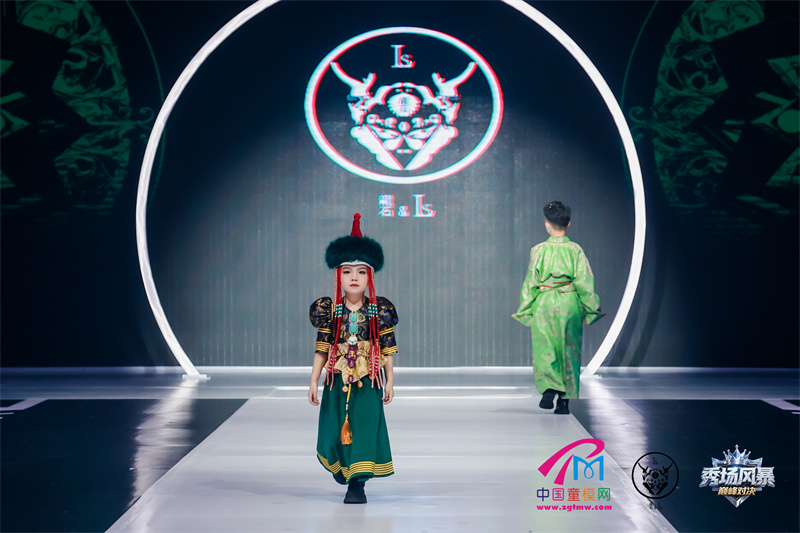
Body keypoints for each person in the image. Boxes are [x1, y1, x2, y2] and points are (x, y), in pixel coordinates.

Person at [308, 213, 397, 504]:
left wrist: (390, 381)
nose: (354, 278)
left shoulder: (379, 310)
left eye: (361, 272)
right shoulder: (329, 310)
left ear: (370, 276)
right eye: (347, 271)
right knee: (335, 430)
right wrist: (313, 380)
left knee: (365, 429)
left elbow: (386, 347)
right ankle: (344, 471)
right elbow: (323, 347)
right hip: (336, 381)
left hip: (368, 381)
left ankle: (357, 484)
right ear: (338, 276)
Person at [512, 201, 603, 415]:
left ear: (547, 224)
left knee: (545, 347)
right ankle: (564, 403)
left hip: (544, 301)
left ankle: (549, 387)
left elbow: (531, 282)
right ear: (568, 223)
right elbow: (585, 282)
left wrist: (525, 309)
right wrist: (592, 308)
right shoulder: (575, 250)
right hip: (569, 300)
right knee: (570, 349)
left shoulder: (539, 250)